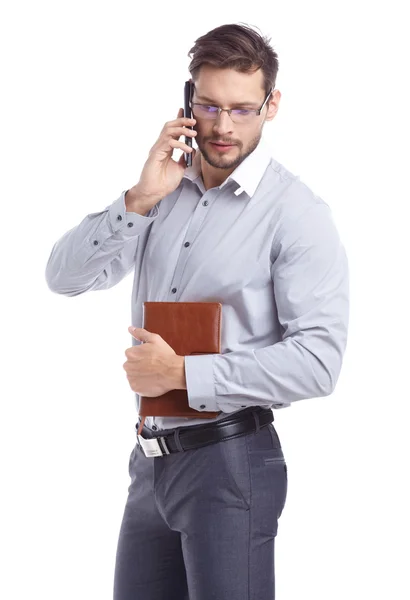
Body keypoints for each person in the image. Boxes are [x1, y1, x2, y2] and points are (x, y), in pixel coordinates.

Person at [45, 22, 349, 600]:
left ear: (271, 104)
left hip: (231, 461)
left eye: (242, 109)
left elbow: (319, 362)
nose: (224, 126)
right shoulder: (162, 193)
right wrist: (137, 198)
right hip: (150, 463)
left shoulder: (297, 213)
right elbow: (64, 278)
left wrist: (183, 374)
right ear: (188, 102)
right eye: (209, 107)